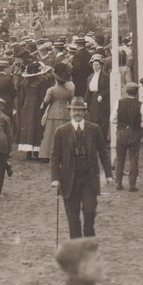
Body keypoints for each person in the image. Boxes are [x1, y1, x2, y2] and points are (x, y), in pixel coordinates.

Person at [49, 97, 113, 239]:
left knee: (90, 212)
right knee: (73, 218)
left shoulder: (94, 129)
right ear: (70, 112)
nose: (77, 113)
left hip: (89, 178)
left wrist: (108, 174)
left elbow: (103, 153)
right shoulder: (61, 131)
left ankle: (89, 240)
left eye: (80, 111)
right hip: (69, 180)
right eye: (74, 110)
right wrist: (54, 179)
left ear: (85, 113)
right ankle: (77, 249)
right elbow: (54, 157)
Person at [114, 82, 143, 192]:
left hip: (121, 132)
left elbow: (112, 119)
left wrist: (121, 123)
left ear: (126, 92)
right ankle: (132, 185)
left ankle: (118, 183)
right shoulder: (140, 105)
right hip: (134, 133)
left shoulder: (119, 103)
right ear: (137, 92)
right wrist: (138, 125)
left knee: (120, 158)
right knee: (134, 158)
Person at [38, 75, 74, 162]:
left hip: (53, 113)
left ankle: (47, 155)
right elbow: (71, 102)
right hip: (65, 113)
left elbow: (46, 101)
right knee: (63, 134)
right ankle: (63, 154)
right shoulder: (69, 91)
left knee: (50, 134)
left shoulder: (51, 90)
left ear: (56, 80)